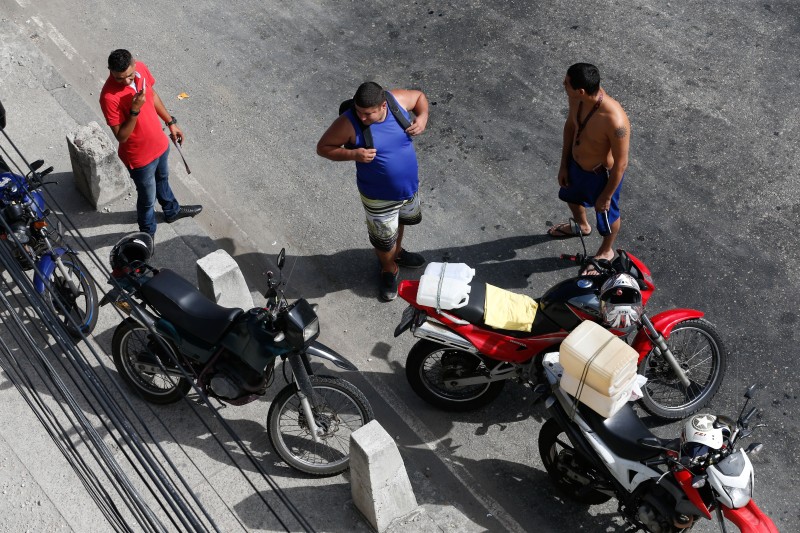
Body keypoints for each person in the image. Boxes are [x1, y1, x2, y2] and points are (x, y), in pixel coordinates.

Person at [316, 81, 429, 301]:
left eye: (368, 113)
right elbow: (323, 148)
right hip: (379, 197)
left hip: (408, 190)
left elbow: (419, 98)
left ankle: (397, 253)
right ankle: (388, 269)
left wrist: (422, 117)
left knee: (400, 223)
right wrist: (354, 155)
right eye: (359, 111)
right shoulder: (347, 123)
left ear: (384, 105)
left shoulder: (397, 101)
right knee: (383, 239)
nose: (362, 117)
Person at [99, 49, 201, 238]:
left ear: (135, 64)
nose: (127, 81)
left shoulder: (142, 69)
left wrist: (170, 123)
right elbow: (121, 136)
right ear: (110, 71)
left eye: (129, 76)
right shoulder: (108, 97)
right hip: (139, 158)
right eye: (119, 78)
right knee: (147, 200)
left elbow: (152, 96)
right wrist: (134, 110)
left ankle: (172, 211)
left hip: (160, 145)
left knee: (163, 179)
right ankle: (147, 234)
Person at [549, 63, 630, 273]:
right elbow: (570, 126)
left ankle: (606, 251)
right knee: (571, 196)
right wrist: (564, 164)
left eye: (566, 83)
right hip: (576, 165)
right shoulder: (576, 98)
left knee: (608, 217)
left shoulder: (615, 120)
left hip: (600, 175)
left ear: (581, 90)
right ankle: (582, 226)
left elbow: (621, 164)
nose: (563, 84)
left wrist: (606, 195)